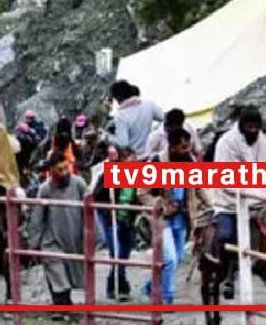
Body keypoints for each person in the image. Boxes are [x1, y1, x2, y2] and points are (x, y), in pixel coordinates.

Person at [211, 105, 266, 297]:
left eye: (256, 127)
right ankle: (227, 275)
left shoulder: (262, 141)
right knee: (226, 235)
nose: (253, 131)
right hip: (229, 200)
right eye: (249, 127)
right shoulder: (226, 143)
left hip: (259, 197)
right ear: (242, 126)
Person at [139, 128, 206, 304]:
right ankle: (166, 298)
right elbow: (142, 192)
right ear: (173, 147)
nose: (187, 151)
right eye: (183, 147)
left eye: (188, 146)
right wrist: (160, 204)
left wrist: (213, 204)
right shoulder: (155, 163)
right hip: (162, 219)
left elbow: (199, 188)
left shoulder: (190, 162)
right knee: (168, 259)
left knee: (176, 260)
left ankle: (150, 286)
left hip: (182, 219)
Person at [28, 151, 88, 305]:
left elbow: (90, 209)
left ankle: (64, 303)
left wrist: (92, 236)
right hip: (52, 240)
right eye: (59, 170)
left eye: (66, 168)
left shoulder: (79, 184)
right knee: (56, 271)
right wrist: (34, 244)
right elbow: (38, 217)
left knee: (71, 273)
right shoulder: (45, 189)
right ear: (52, 170)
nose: (64, 173)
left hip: (74, 237)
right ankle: (61, 304)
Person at [90, 144, 138, 300]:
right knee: (116, 254)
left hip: (127, 221)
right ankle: (118, 287)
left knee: (124, 255)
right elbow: (96, 195)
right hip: (111, 220)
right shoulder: (109, 175)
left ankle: (117, 284)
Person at [111, 80, 163, 154]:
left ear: (117, 97)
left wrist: (109, 138)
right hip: (149, 154)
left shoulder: (120, 115)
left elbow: (123, 143)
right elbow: (165, 118)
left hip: (133, 159)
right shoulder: (148, 105)